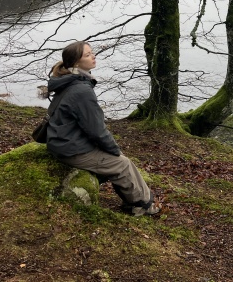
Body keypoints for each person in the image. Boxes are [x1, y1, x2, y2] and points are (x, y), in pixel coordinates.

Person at [45, 40, 160, 217]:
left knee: (120, 161)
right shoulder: (81, 90)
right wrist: (114, 150)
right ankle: (143, 206)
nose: (93, 56)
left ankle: (136, 200)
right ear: (76, 62)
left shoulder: (68, 81)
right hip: (70, 148)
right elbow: (96, 130)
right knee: (122, 163)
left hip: (63, 140)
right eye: (87, 54)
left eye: (92, 52)